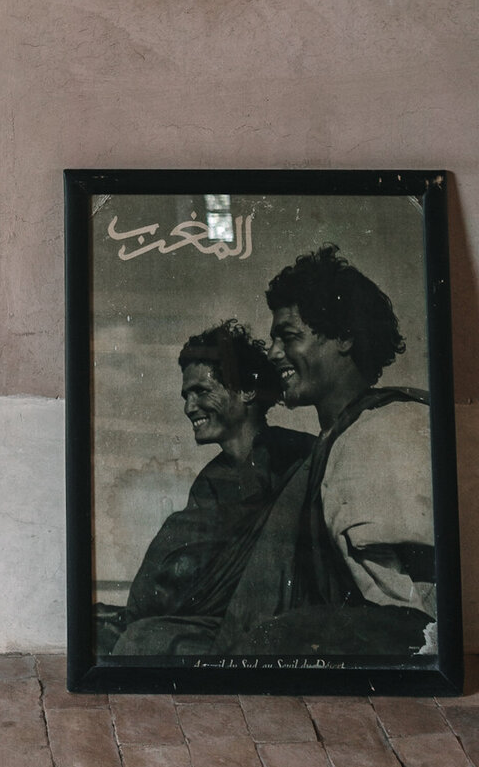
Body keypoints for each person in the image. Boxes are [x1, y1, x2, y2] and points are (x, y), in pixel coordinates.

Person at [213, 244, 435, 657]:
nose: (274, 352)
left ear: (344, 337)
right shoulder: (339, 438)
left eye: (289, 336)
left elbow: (419, 609)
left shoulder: (384, 431)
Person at [98, 320, 314, 656]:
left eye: (201, 391)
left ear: (247, 390)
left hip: (270, 624)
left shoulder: (298, 458)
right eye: (186, 395)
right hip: (216, 621)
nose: (189, 407)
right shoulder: (211, 481)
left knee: (141, 642)